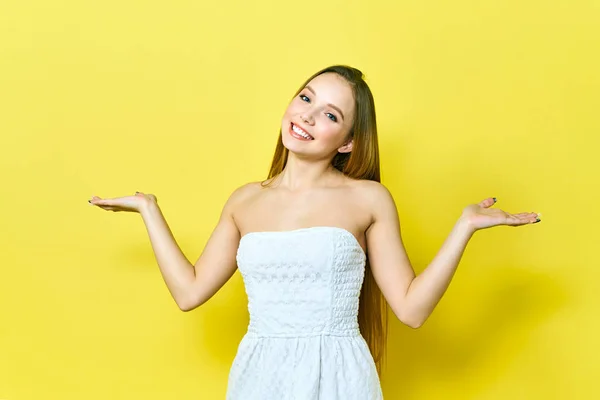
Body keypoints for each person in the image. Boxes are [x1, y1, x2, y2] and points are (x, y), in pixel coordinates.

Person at [89, 65, 541, 399]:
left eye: (329, 115)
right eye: (305, 99)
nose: (307, 116)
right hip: (258, 375)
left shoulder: (368, 199)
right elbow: (189, 293)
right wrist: (149, 210)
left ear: (347, 142)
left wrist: (464, 227)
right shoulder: (244, 201)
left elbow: (411, 309)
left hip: (339, 375)